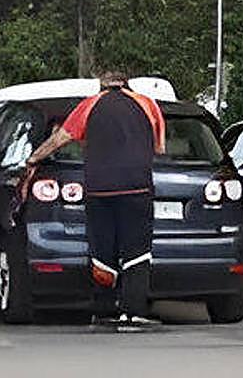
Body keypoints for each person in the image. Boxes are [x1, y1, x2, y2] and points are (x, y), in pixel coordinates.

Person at [25, 69, 166, 326]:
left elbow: (61, 138)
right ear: (128, 84)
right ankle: (133, 311)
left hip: (99, 190)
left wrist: (34, 158)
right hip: (137, 189)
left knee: (102, 250)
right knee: (137, 250)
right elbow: (159, 147)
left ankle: (103, 310)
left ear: (101, 86)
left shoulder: (90, 105)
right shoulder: (148, 105)